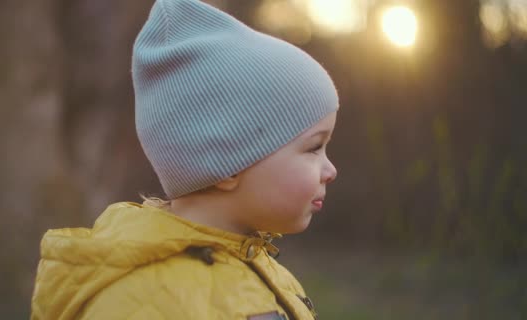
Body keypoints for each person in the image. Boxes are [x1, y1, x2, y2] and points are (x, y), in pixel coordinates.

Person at [30, 0, 339, 319]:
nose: (330, 170)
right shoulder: (141, 302)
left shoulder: (265, 270)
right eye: (314, 148)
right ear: (227, 162)